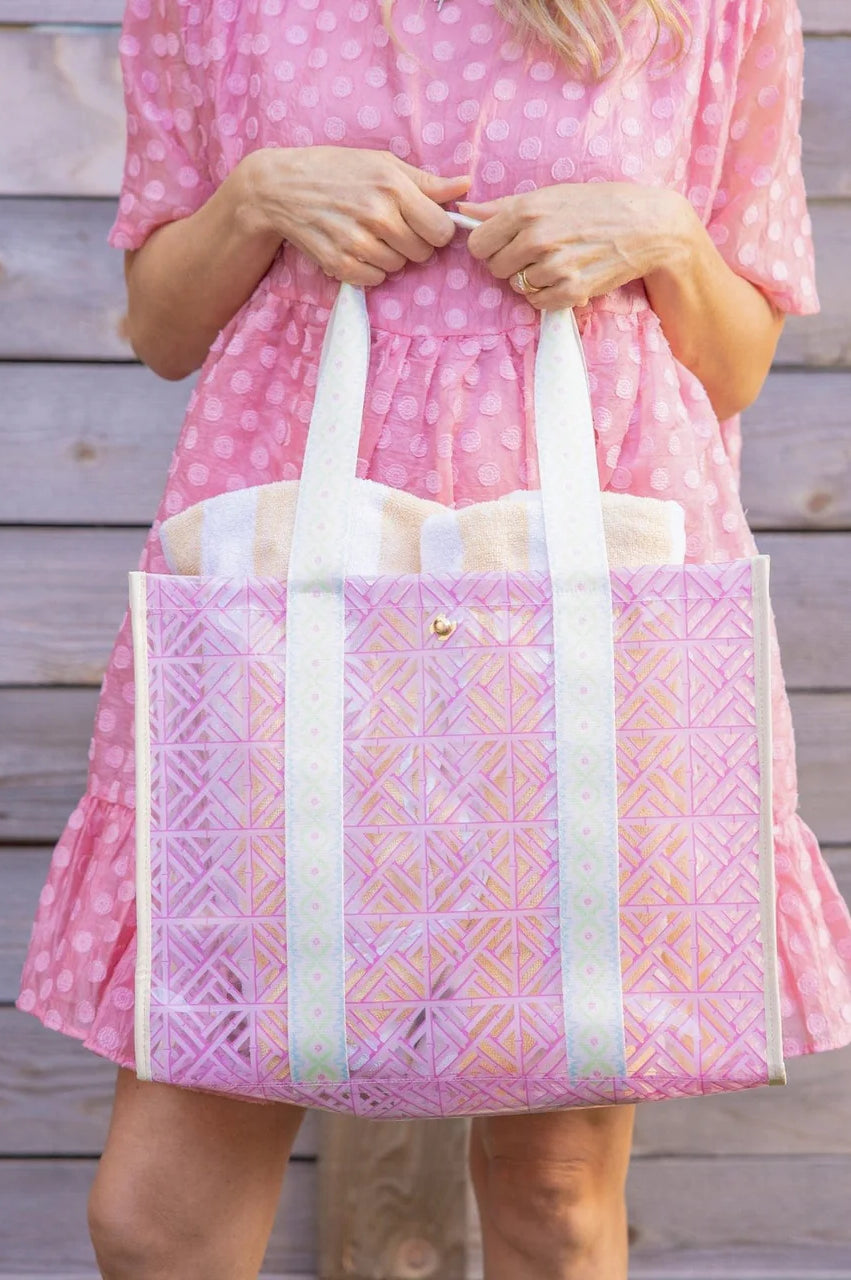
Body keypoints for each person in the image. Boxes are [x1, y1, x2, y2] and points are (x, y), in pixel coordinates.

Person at [17, 0, 851, 1275]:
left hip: (582, 597)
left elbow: (732, 365)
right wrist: (255, 199)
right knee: (157, 1214)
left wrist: (665, 236)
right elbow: (163, 329)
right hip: (287, 598)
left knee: (553, 1189)